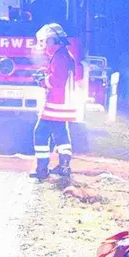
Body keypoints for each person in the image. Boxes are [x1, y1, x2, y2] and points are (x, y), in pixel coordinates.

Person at [29, 23, 81, 181]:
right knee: (61, 134)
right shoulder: (63, 54)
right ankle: (64, 167)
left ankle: (42, 168)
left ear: (54, 40)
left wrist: (42, 81)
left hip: (56, 103)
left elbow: (57, 80)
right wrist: (44, 74)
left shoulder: (59, 56)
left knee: (40, 132)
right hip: (63, 103)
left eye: (46, 41)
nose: (45, 45)